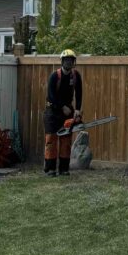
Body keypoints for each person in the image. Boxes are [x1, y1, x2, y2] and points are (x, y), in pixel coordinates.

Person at [43, 49, 82, 177]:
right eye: (66, 60)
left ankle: (64, 169)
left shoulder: (76, 76)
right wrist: (62, 107)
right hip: (52, 111)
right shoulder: (55, 76)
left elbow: (79, 93)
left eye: (71, 60)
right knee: (51, 140)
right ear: (62, 61)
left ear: (73, 62)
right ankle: (50, 169)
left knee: (66, 140)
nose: (68, 62)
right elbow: (51, 95)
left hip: (68, 111)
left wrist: (77, 109)